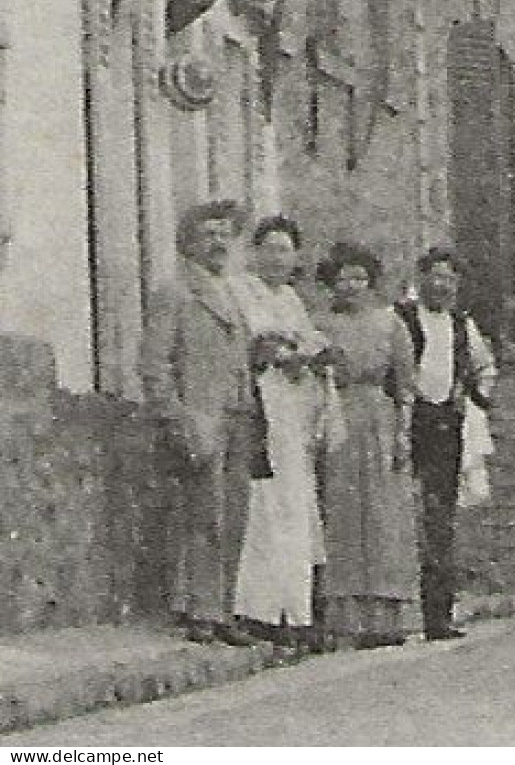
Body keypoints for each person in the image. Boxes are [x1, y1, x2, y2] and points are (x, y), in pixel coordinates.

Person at [142, 201, 261, 647]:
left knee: (233, 518)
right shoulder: (175, 292)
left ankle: (223, 608)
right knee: (203, 517)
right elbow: (154, 365)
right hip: (201, 418)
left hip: (237, 417)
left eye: (224, 235)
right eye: (208, 234)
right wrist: (178, 418)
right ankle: (200, 611)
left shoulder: (231, 293)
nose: (217, 243)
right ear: (187, 242)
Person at [226, 216, 333, 647]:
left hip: (292, 412)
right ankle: (258, 609)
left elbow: (307, 342)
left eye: (285, 250)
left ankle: (294, 610)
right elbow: (247, 346)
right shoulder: (240, 291)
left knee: (294, 504)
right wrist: (272, 353)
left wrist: (311, 356)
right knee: (262, 506)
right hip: (260, 405)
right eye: (268, 248)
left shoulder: (291, 298)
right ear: (254, 253)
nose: (276, 257)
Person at [313, 243, 422, 649]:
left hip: (379, 415)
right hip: (337, 413)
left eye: (359, 278)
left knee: (382, 512)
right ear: (332, 282)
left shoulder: (390, 323)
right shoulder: (320, 324)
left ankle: (387, 614)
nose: (352, 286)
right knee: (341, 511)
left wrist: (402, 433)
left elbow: (406, 383)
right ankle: (346, 616)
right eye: (343, 278)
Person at [397, 248, 497, 640]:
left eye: (449, 279)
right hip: (408, 418)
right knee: (404, 511)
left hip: (445, 424)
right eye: (434, 276)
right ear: (420, 278)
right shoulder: (402, 318)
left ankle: (437, 614)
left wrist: (471, 394)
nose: (440, 285)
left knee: (440, 517)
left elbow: (484, 367)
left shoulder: (461, 324)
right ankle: (401, 611)